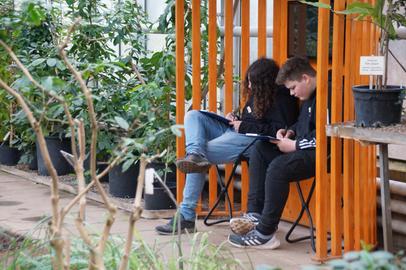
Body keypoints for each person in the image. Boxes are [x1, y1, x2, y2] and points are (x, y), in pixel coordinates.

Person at [155, 58, 298, 235]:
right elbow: (252, 118)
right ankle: (195, 152)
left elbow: (278, 131)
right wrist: (236, 119)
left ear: (265, 82)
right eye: (249, 81)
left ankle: (186, 216)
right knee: (194, 116)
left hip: (252, 141)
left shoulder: (284, 97)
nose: (251, 87)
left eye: (254, 83)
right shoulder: (260, 92)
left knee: (201, 158)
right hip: (236, 131)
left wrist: (244, 126)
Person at [228, 56, 317, 249]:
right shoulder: (308, 95)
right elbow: (302, 125)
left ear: (305, 78)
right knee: (261, 149)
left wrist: (294, 146)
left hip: (319, 155)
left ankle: (265, 233)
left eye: (293, 88)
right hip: (301, 147)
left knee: (278, 167)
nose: (292, 93)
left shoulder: (325, 96)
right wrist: (290, 131)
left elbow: (324, 137)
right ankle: (254, 214)